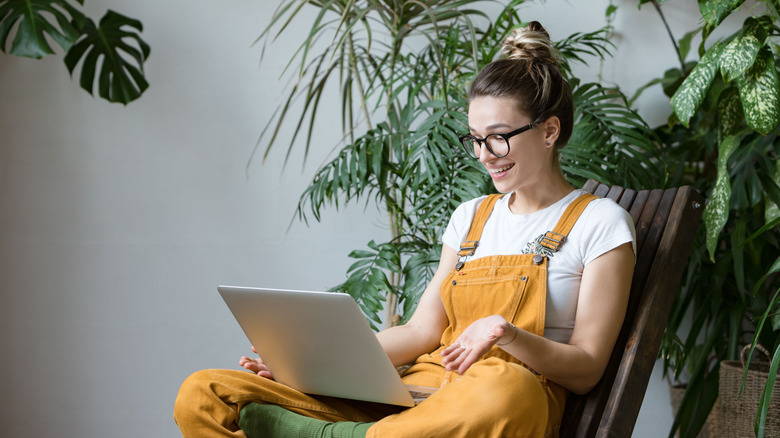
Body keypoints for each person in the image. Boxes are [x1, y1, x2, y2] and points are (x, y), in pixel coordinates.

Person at [174, 21, 636, 438]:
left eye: (498, 136)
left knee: (507, 385)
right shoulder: (471, 217)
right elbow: (420, 332)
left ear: (550, 131)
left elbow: (586, 370)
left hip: (494, 403)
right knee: (204, 392)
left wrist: (507, 334)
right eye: (475, 139)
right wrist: (307, 363)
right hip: (420, 397)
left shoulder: (599, 223)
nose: (484, 155)